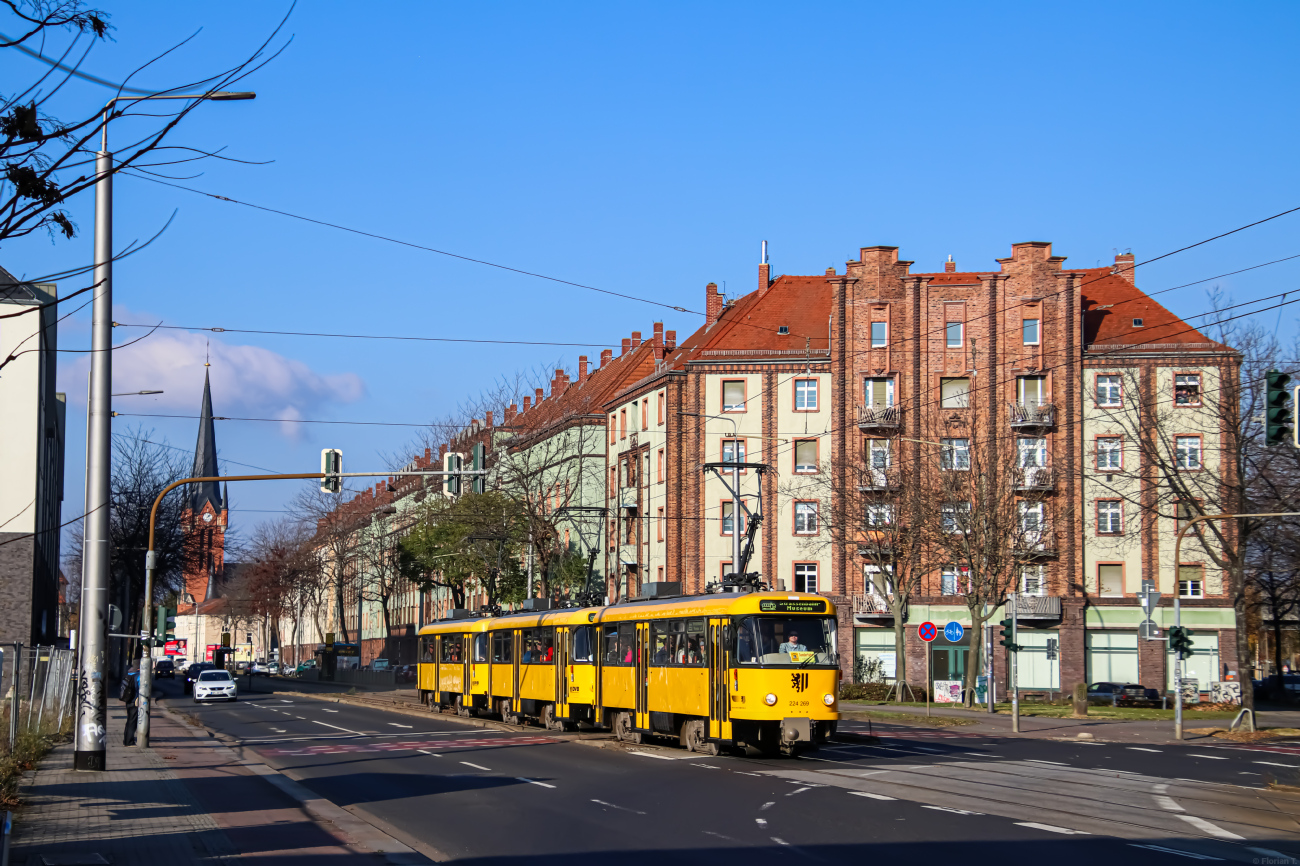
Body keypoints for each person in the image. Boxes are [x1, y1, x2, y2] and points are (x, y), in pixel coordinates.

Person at [120, 665, 140, 746]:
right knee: (133, 722)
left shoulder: (129, 675)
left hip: (128, 700)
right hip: (135, 701)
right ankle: (129, 741)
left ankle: (126, 739)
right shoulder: (138, 677)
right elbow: (140, 689)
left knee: (129, 721)